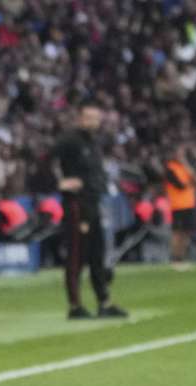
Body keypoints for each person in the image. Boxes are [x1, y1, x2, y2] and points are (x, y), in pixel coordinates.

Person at [51, 102, 128, 320]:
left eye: (96, 118)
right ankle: (75, 305)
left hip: (94, 202)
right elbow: (46, 159)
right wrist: (59, 182)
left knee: (97, 254)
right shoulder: (70, 139)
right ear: (80, 118)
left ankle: (104, 301)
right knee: (76, 255)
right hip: (77, 203)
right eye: (88, 117)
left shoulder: (94, 142)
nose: (93, 122)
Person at [164, 144, 196, 269]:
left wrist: (186, 165)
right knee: (177, 233)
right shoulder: (171, 168)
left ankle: (182, 258)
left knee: (186, 233)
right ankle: (175, 258)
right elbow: (181, 185)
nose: (181, 156)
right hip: (177, 205)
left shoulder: (185, 167)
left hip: (189, 204)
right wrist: (191, 181)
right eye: (179, 153)